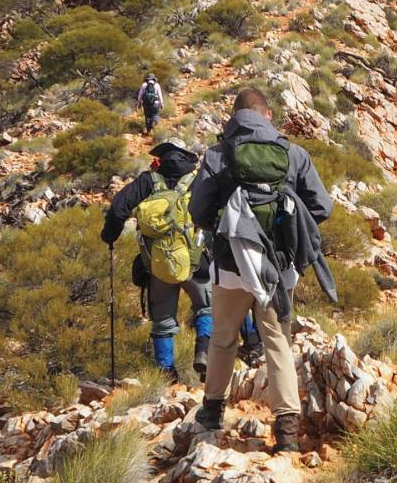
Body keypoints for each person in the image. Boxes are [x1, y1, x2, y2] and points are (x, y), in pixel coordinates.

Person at [189, 87, 333, 454]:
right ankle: (286, 431)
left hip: (231, 265)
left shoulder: (219, 155)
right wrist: (288, 227)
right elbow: (322, 206)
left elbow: (198, 211)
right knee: (277, 343)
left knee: (223, 339)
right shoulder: (293, 153)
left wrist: (230, 227)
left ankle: (211, 413)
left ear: (233, 118)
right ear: (268, 115)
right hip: (278, 270)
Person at [101, 138, 210, 382]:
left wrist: (109, 237)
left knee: (162, 319)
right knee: (207, 306)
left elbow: (118, 210)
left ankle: (166, 375)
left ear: (160, 157)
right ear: (185, 156)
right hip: (195, 260)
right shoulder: (197, 179)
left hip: (157, 263)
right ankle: (204, 351)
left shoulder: (147, 181)